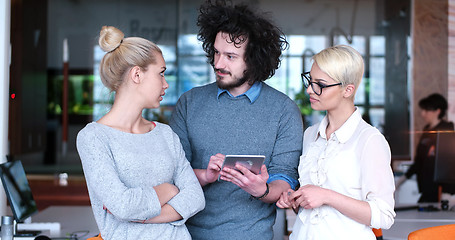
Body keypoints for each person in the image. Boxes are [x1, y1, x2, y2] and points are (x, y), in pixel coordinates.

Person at [168, 1, 303, 239]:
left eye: (230, 56)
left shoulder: (284, 111)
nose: (218, 64)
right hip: (185, 235)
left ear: (254, 60)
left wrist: (262, 190)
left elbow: (285, 177)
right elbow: (173, 174)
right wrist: (206, 176)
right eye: (217, 53)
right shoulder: (189, 103)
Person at [76, 26, 205, 240]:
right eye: (161, 74)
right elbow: (124, 206)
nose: (165, 84)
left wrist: (145, 216)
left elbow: (195, 198)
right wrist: (169, 189)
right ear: (137, 74)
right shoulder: (93, 138)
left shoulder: (165, 134)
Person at [276, 45, 396, 240]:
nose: (309, 90)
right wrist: (296, 199)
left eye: (320, 85)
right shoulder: (310, 135)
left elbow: (384, 215)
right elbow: (313, 211)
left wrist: (326, 196)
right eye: (310, 81)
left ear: (348, 90)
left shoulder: (369, 140)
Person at [396, 93, 455, 202]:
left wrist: (448, 191)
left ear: (438, 111)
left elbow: (449, 163)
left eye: (426, 111)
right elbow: (419, 161)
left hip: (442, 191)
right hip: (427, 188)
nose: (423, 114)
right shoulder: (427, 130)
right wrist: (402, 180)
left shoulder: (447, 130)